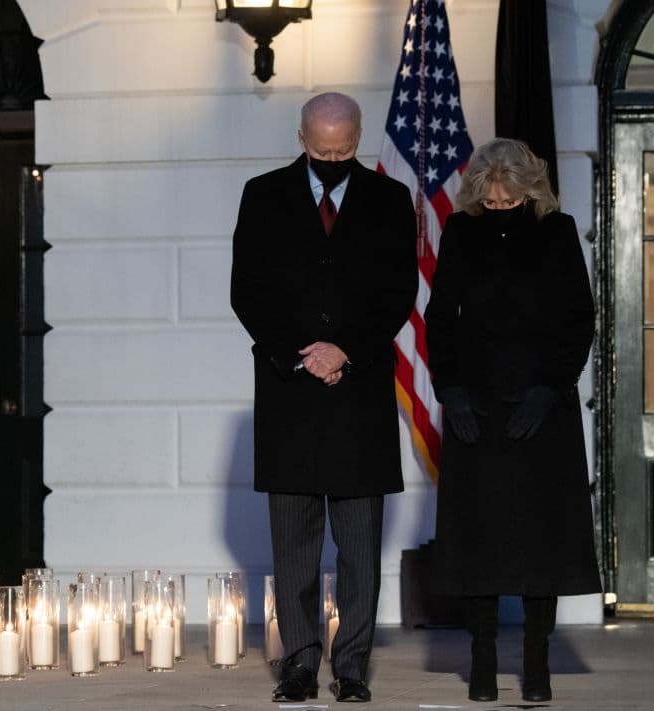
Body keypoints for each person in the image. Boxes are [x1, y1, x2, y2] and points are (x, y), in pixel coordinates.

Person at [230, 92, 417, 704]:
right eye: (319, 150)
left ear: (358, 139)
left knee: (361, 547)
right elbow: (247, 292)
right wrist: (301, 354)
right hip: (289, 395)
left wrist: (345, 352)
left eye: (342, 151)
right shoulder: (262, 195)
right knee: (294, 547)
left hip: (358, 396)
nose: (331, 159)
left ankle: (354, 667)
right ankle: (300, 665)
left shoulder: (390, 200)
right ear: (301, 137)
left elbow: (397, 292)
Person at [424, 138, 602, 703]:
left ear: (530, 192)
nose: (499, 209)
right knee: (477, 539)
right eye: (492, 201)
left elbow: (579, 318)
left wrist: (549, 390)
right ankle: (480, 662)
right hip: (473, 406)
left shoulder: (556, 231)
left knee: (540, 542)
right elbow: (440, 319)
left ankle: (536, 664)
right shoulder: (460, 233)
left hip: (541, 408)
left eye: (510, 201)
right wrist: (449, 391)